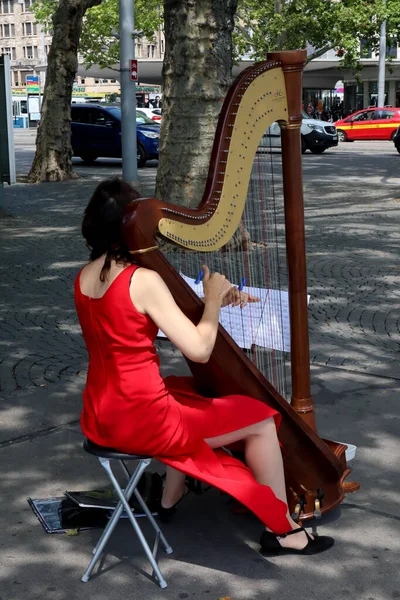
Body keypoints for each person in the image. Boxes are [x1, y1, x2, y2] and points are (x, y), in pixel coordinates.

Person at [74, 178, 334, 556]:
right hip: (144, 422)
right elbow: (198, 349)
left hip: (101, 413)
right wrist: (211, 301)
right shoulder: (143, 280)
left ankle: (169, 498)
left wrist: (215, 302)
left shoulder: (83, 276)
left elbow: (140, 318)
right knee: (261, 420)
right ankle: (282, 530)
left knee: (190, 389)